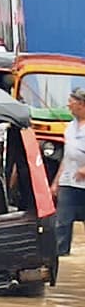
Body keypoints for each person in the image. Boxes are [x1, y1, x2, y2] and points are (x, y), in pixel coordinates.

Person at [52, 88, 85, 255]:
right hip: (68, 182)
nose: (68, 105)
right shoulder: (70, 127)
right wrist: (56, 181)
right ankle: (60, 258)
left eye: (71, 101)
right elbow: (67, 156)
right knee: (62, 223)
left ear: (81, 104)